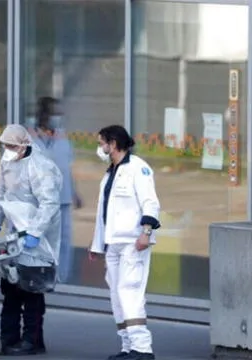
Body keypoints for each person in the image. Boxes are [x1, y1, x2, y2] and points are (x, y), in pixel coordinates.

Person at [0, 124, 63, 356]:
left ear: (23, 145)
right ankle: (8, 337)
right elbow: (1, 195)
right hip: (14, 233)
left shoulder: (40, 167)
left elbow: (49, 204)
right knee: (11, 288)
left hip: (37, 238)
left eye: (10, 146)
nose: (6, 150)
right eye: (4, 146)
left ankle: (33, 340)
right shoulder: (7, 163)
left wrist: (35, 233)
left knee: (31, 290)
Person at [88, 125, 161, 360]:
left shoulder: (138, 169)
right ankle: (128, 346)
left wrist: (146, 233)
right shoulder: (111, 172)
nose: (100, 148)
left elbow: (150, 203)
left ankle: (142, 348)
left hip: (133, 242)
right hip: (113, 243)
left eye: (102, 144)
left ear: (113, 143)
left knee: (130, 293)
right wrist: (97, 245)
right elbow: (104, 213)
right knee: (117, 296)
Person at [29, 96, 82, 283]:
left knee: (64, 241)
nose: (58, 117)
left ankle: (61, 279)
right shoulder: (31, 137)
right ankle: (39, 277)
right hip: (40, 200)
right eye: (55, 113)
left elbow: (67, 166)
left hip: (63, 198)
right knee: (41, 239)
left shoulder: (62, 136)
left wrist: (75, 192)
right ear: (45, 114)